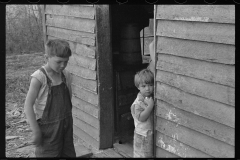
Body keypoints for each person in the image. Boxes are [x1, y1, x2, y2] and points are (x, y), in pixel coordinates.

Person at [24, 39, 76, 157]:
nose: (63, 65)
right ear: (46, 57)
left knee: (68, 153)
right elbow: (28, 105)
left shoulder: (66, 75)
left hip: (66, 125)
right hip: (48, 130)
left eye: (66, 62)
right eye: (58, 62)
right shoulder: (39, 78)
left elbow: (68, 101)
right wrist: (36, 130)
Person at [131, 68, 154, 158]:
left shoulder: (149, 97)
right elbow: (141, 118)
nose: (148, 89)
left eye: (151, 85)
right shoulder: (138, 103)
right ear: (138, 87)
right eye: (144, 86)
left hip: (148, 133)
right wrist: (150, 107)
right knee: (143, 155)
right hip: (142, 135)